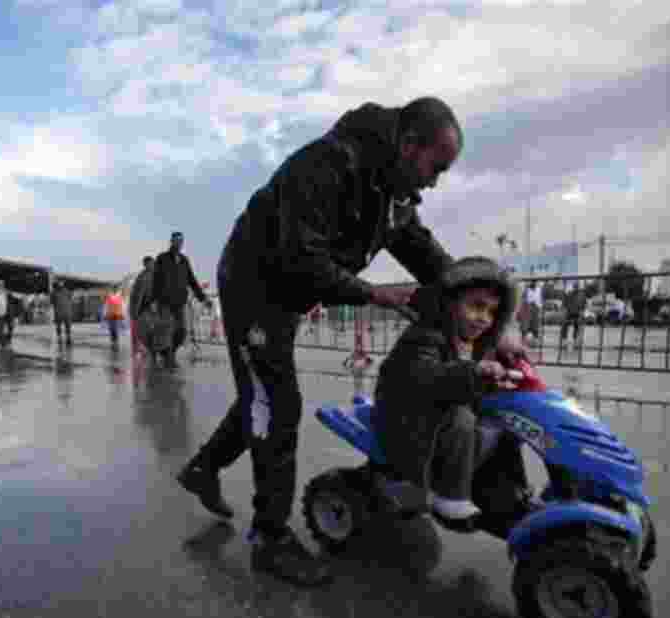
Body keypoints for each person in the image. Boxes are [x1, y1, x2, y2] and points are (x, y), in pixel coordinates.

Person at [175, 97, 525, 587]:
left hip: (291, 294)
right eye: (436, 167)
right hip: (255, 285)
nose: (435, 180)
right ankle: (269, 537)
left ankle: (203, 468)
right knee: (277, 403)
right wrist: (372, 294)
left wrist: (494, 323)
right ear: (408, 145)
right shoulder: (327, 166)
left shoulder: (392, 194)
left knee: (263, 392)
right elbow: (300, 258)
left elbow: (430, 259)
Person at [373, 256, 532, 530]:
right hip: (407, 413)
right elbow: (429, 378)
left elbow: (479, 372)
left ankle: (509, 491)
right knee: (462, 418)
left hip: (438, 407)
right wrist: (475, 373)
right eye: (476, 306)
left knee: (505, 421)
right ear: (449, 303)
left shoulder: (473, 341)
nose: (484, 318)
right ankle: (450, 496)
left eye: (492, 312)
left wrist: (505, 365)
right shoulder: (425, 337)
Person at [150, 232, 212, 368]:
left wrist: (203, 298)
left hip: (179, 302)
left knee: (182, 331)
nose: (178, 243)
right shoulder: (162, 258)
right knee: (166, 330)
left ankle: (168, 352)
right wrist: (153, 300)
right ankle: (169, 357)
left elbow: (192, 280)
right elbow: (156, 280)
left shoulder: (184, 260)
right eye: (176, 241)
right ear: (171, 242)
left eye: (181, 241)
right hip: (164, 301)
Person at [560, 283, 585, 350]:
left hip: (576, 313)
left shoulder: (581, 295)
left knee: (576, 327)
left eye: (577, 287)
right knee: (565, 326)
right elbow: (565, 302)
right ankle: (564, 341)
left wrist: (582, 312)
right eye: (575, 287)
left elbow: (583, 304)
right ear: (573, 287)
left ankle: (576, 342)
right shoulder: (570, 294)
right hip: (570, 312)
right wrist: (564, 310)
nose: (576, 288)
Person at [51, 279, 74, 346]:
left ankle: (67, 339)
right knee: (60, 327)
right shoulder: (55, 292)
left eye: (61, 283)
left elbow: (52, 302)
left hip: (63, 312)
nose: (60, 284)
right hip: (62, 312)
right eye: (60, 283)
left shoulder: (56, 292)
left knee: (66, 327)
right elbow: (70, 299)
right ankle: (62, 339)